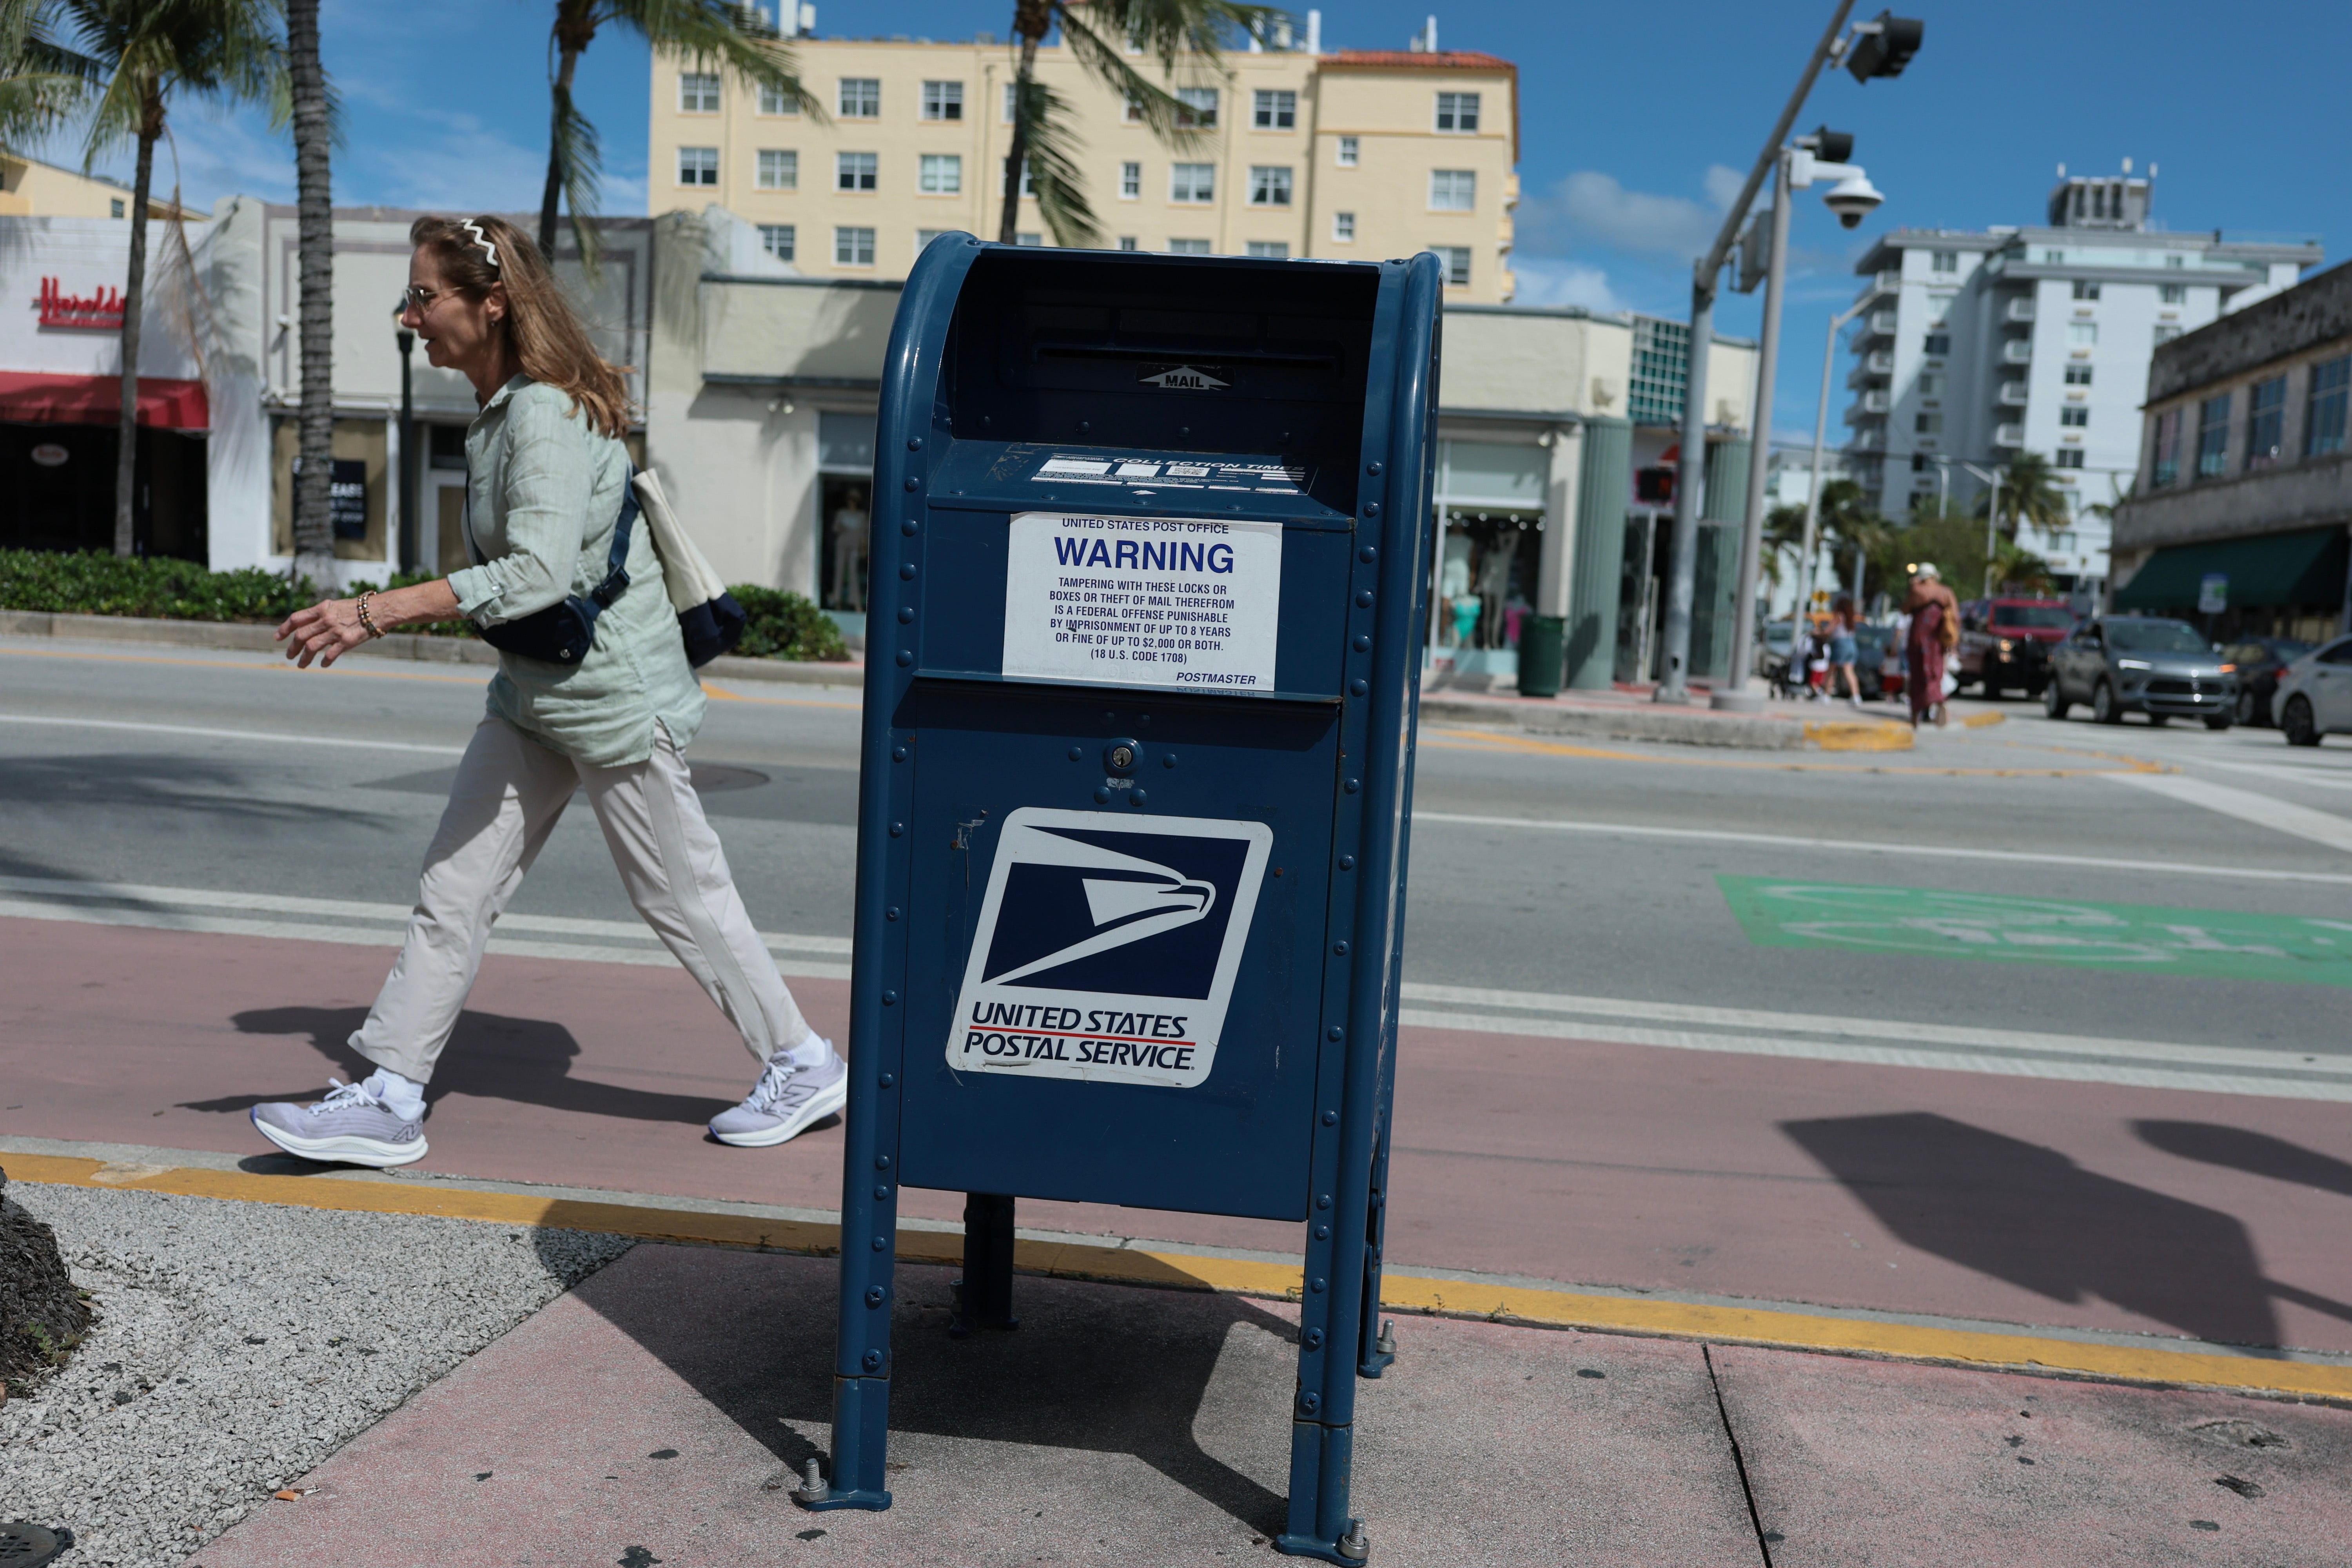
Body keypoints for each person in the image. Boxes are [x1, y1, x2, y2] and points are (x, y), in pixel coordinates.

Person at [248, 214, 844, 1169]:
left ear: (491, 305)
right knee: (455, 889)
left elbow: (537, 576)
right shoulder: (499, 413)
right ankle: (392, 1093)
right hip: (534, 698)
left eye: (425, 298)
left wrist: (376, 611)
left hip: (611, 698)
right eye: (409, 298)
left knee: (682, 896)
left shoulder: (542, 413)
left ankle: (802, 1060)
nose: (410, 316)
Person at [1904, 564, 1960, 728]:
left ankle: (1916, 714)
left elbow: (1905, 609)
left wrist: (1913, 587)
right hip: (1936, 642)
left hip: (1918, 638)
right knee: (1935, 673)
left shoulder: (1917, 591)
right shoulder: (1946, 592)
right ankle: (1939, 701)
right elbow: (1956, 618)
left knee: (1917, 676)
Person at [829, 485, 869, 611]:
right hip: (842, 544)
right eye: (850, 500)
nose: (852, 503)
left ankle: (856, 602)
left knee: (853, 573)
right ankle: (837, 601)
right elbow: (836, 528)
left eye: (854, 500)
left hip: (855, 546)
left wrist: (864, 547)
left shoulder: (862, 516)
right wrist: (844, 528)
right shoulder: (842, 513)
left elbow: (864, 533)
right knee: (840, 571)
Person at [1826, 595, 1863, 710]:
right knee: (1849, 671)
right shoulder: (1850, 618)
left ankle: (1825, 695)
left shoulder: (1839, 616)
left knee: (1831, 671)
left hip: (1841, 644)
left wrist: (1818, 633)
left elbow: (1829, 631)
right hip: (1852, 645)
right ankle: (1856, 696)